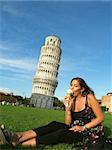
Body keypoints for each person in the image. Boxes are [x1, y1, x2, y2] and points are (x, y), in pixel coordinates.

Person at [0, 77, 111, 149]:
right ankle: (18, 136)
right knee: (54, 124)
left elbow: (100, 118)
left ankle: (20, 143)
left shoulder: (89, 97)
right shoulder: (72, 100)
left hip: (89, 131)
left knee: (61, 133)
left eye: (75, 86)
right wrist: (67, 109)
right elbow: (68, 123)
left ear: (82, 89)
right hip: (75, 127)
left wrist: (83, 128)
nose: (72, 88)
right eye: (71, 85)